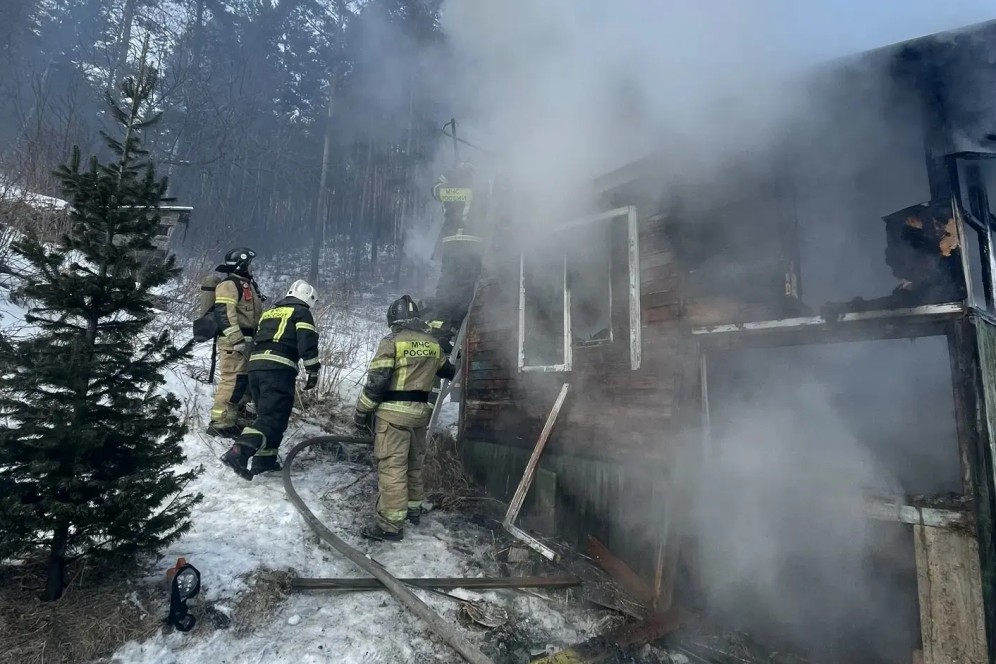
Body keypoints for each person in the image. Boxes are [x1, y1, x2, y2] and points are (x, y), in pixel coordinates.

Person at [354, 295, 455, 541]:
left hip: (393, 417)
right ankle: (413, 511)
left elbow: (376, 383)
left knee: (392, 468)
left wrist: (361, 412)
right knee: (413, 465)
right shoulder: (432, 344)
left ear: (393, 319)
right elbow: (449, 371)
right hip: (420, 417)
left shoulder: (391, 342)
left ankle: (390, 525)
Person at [220, 279, 321, 480]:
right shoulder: (301, 312)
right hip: (278, 369)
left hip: (256, 368)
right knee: (273, 417)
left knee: (267, 415)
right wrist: (313, 370)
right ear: (309, 299)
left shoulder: (270, 312)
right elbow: (307, 341)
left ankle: (264, 461)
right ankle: (239, 451)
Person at [206, 247, 265, 437]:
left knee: (243, 382)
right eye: (249, 264)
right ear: (241, 264)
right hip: (234, 344)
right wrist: (236, 340)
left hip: (247, 343)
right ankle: (220, 424)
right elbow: (224, 313)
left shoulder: (246, 285)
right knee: (232, 381)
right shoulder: (229, 285)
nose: (251, 268)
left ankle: (232, 419)